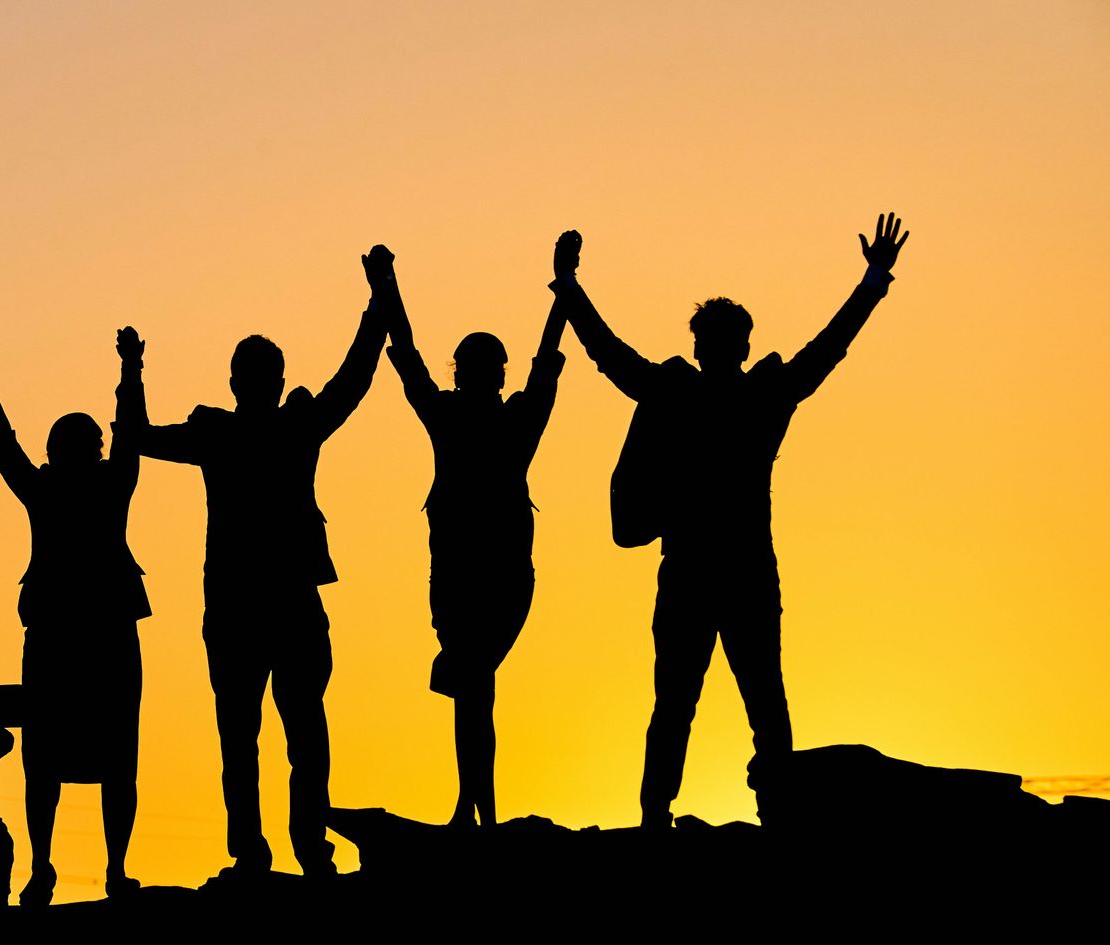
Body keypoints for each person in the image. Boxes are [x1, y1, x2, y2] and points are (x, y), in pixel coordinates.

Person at [550, 214, 910, 828]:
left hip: (699, 573)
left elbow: (608, 355)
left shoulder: (680, 393)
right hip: (734, 574)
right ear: (739, 346)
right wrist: (873, 280)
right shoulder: (760, 396)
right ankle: (768, 814)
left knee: (687, 705)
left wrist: (569, 287)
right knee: (757, 702)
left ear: (702, 345)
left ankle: (658, 816)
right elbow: (829, 347)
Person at [122, 247, 393, 880]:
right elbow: (355, 377)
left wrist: (132, 373)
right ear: (261, 380)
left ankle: (272, 851)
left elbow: (135, 435)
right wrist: (379, 298)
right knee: (287, 736)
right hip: (268, 604)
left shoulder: (238, 434)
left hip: (256, 605)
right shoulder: (273, 430)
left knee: (262, 737)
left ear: (243, 382)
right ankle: (290, 851)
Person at [378, 238, 570, 828]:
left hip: (495, 576)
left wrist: (385, 286)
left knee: (474, 686)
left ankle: (475, 806)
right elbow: (409, 357)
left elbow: (543, 359)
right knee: (473, 690)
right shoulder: (472, 418)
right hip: (465, 577)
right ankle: (476, 805)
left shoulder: (503, 420)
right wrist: (384, 286)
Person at [0, 329, 150, 906]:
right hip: (90, 632)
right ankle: (96, 868)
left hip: (72, 632)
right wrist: (130, 369)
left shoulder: (55, 487)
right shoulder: (99, 483)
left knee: (66, 756)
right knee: (81, 755)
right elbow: (129, 435)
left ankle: (62, 866)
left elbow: (2, 443)